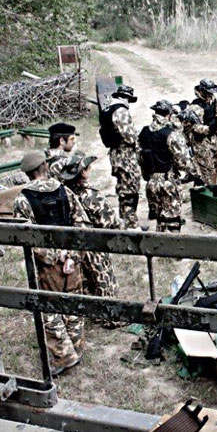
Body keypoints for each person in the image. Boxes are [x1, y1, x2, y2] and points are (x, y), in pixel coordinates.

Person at [14, 150, 90, 376]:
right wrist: (72, 256)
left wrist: (53, 257)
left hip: (47, 266)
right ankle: (77, 347)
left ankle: (64, 356)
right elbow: (82, 225)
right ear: (46, 166)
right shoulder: (65, 190)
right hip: (71, 260)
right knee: (74, 302)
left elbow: (28, 238)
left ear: (27, 173)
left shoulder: (23, 199)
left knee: (50, 310)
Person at [60, 152, 121, 308]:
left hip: (71, 248)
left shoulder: (63, 194)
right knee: (104, 286)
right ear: (83, 173)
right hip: (94, 247)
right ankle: (107, 316)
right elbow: (111, 223)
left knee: (84, 286)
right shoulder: (92, 196)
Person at [139, 100, 201, 232]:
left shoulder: (144, 132)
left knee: (160, 219)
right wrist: (195, 174)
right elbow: (183, 160)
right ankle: (173, 243)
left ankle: (160, 242)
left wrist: (146, 176)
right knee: (173, 220)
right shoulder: (170, 134)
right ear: (168, 115)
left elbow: (140, 158)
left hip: (151, 182)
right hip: (168, 182)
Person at [99, 85, 141, 229]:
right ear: (125, 98)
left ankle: (125, 221)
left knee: (123, 187)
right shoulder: (120, 110)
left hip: (115, 153)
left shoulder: (107, 109)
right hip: (125, 155)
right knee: (130, 190)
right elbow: (130, 137)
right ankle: (132, 225)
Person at [191, 79, 217, 185]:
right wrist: (207, 129)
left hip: (213, 138)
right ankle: (204, 190)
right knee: (204, 170)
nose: (210, 94)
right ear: (202, 91)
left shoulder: (213, 101)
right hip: (201, 142)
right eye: (208, 92)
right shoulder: (196, 106)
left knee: (214, 167)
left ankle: (213, 188)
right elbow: (192, 126)